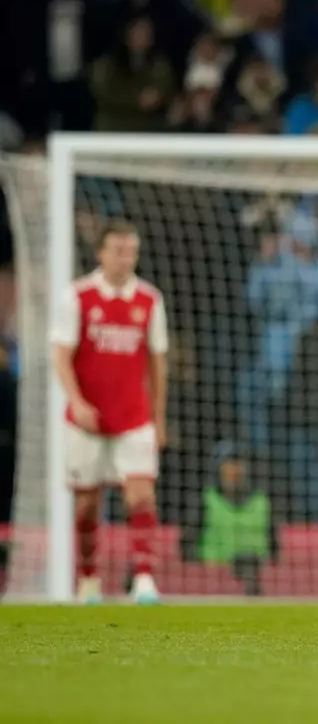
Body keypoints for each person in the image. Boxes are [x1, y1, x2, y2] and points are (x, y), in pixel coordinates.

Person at [50, 220, 169, 604]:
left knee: (141, 497)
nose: (125, 258)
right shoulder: (78, 296)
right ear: (101, 253)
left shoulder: (150, 300)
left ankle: (146, 580)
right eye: (118, 250)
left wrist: (158, 417)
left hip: (133, 417)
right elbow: (61, 356)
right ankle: (87, 579)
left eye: (131, 251)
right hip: (87, 421)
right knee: (87, 504)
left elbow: (157, 364)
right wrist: (77, 402)